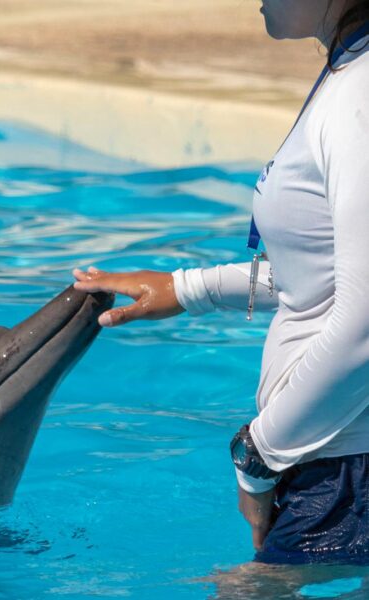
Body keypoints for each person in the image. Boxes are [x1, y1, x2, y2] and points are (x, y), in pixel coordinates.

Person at [72, 0, 369, 564]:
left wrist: (258, 455)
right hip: (331, 460)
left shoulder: (361, 98)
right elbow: (322, 273)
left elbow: (364, 326)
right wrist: (190, 289)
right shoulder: (349, 75)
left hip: (344, 476)